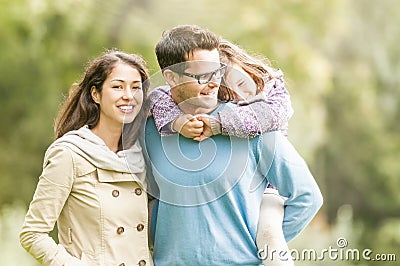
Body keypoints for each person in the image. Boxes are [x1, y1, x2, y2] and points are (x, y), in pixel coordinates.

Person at [144, 24, 323, 266]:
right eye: (201, 75)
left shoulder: (251, 127)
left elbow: (307, 198)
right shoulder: (151, 130)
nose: (213, 83)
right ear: (171, 78)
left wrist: (256, 248)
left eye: (217, 72)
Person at [20, 49, 153, 266]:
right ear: (95, 94)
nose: (128, 95)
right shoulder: (70, 153)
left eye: (136, 88)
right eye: (118, 86)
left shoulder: (144, 153)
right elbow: (32, 234)